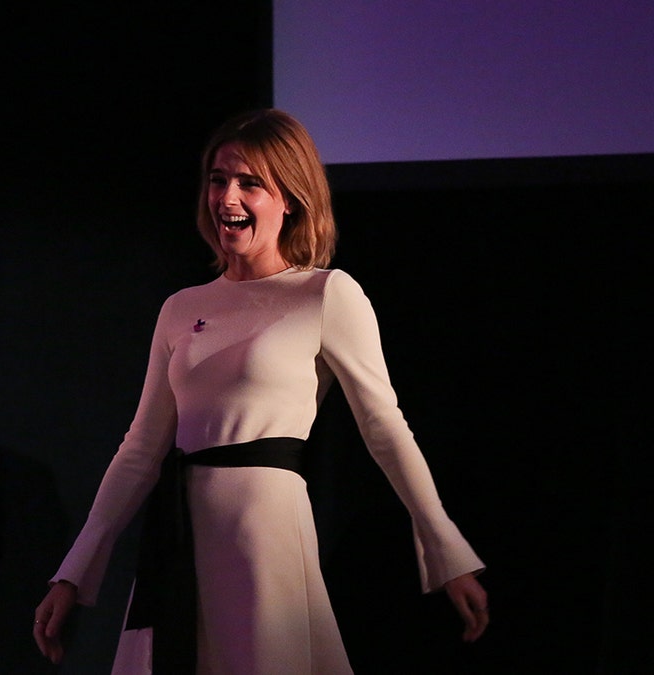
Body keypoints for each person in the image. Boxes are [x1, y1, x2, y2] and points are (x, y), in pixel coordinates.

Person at [33, 109, 488, 673]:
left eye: (250, 183)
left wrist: (447, 552)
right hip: (180, 539)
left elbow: (385, 428)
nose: (227, 197)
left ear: (290, 198)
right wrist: (73, 573)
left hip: (264, 530)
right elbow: (140, 450)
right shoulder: (181, 308)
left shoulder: (325, 295)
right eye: (219, 179)